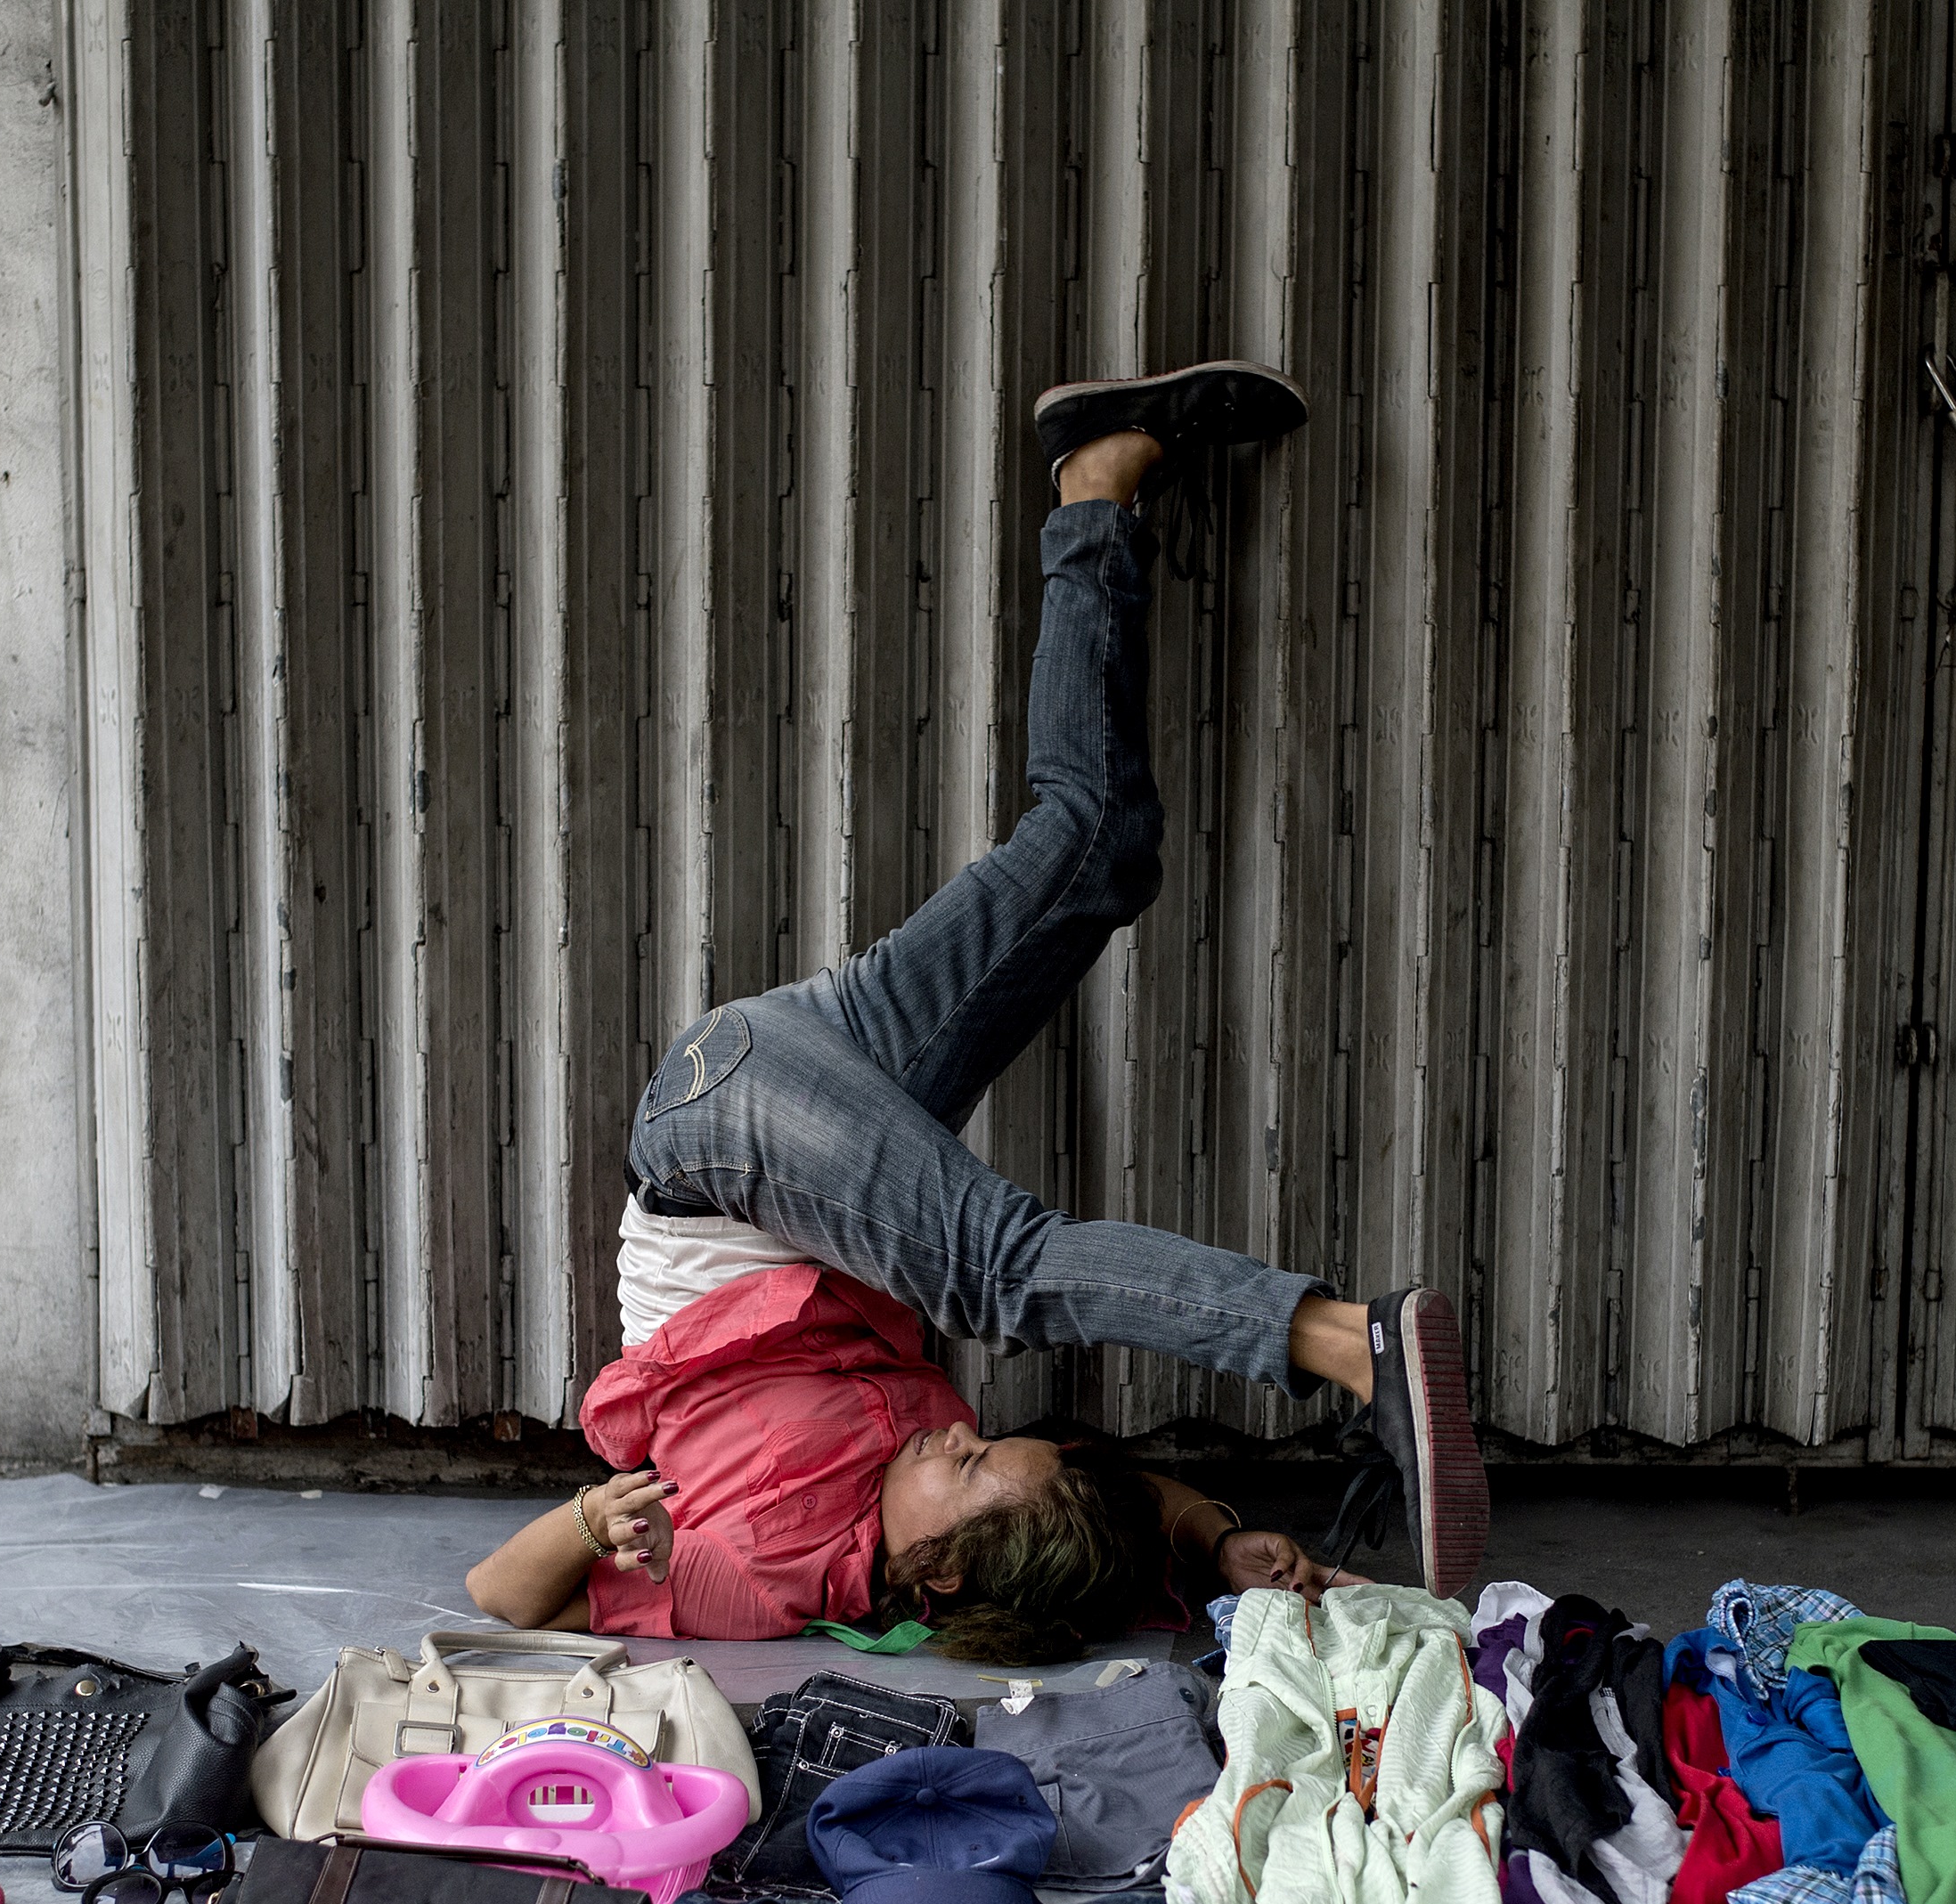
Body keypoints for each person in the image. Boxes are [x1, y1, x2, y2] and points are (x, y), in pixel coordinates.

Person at [463, 362, 1487, 1663]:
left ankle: (1342, 1340)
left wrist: (589, 1519)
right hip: (815, 1095)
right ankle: (1098, 476)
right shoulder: (979, 1517)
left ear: (934, 1573)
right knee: (1097, 845)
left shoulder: (765, 1567)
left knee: (997, 1269)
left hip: (717, 1144)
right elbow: (1085, 1483)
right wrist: (1214, 1536)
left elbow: (504, 1594)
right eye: (992, 1447)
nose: (963, 1430)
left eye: (971, 1465)